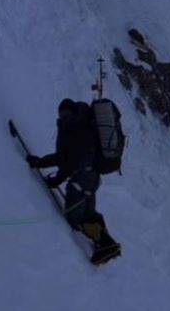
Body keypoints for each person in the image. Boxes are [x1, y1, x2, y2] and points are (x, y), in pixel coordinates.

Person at [26, 98, 119, 262]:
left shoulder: (68, 125)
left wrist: (40, 163)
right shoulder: (86, 121)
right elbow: (75, 158)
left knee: (74, 218)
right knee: (88, 214)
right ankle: (108, 244)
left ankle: (105, 245)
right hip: (93, 177)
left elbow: (64, 159)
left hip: (80, 181)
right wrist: (58, 179)